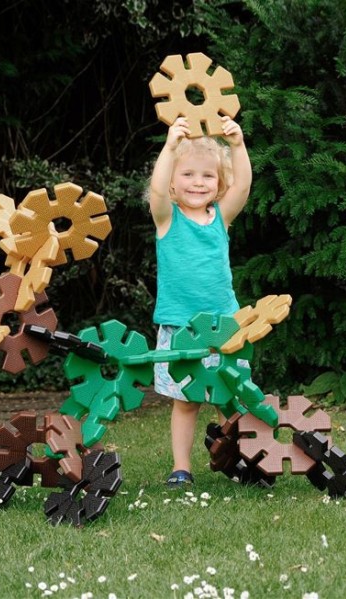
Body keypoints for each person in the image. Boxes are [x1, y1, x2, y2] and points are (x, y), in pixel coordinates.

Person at [148, 115, 251, 488]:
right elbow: (156, 191)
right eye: (188, 175)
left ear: (218, 184)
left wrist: (237, 146)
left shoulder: (220, 218)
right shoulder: (167, 219)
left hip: (223, 326)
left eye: (207, 176)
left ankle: (245, 460)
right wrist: (170, 147)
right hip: (180, 328)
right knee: (186, 401)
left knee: (233, 398)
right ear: (174, 182)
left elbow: (242, 187)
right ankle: (181, 468)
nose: (197, 182)